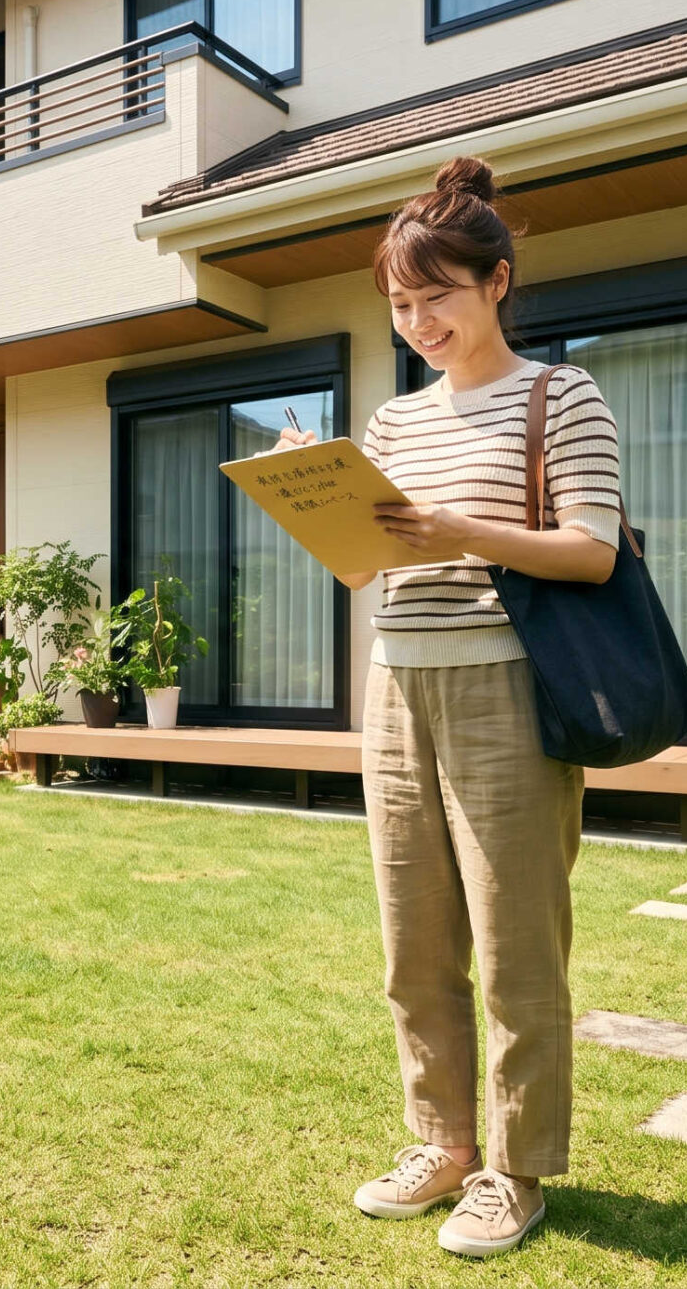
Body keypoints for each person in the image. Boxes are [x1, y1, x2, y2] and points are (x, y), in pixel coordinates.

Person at [274, 155, 622, 1259]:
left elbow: (593, 551)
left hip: (505, 689)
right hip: (393, 686)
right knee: (411, 939)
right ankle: (441, 1142)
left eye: (438, 295)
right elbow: (361, 570)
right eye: (400, 301)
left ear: (497, 283)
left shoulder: (558, 395)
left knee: (518, 944)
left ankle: (515, 1169)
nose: (419, 318)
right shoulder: (389, 421)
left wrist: (458, 530)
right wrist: (311, 494)